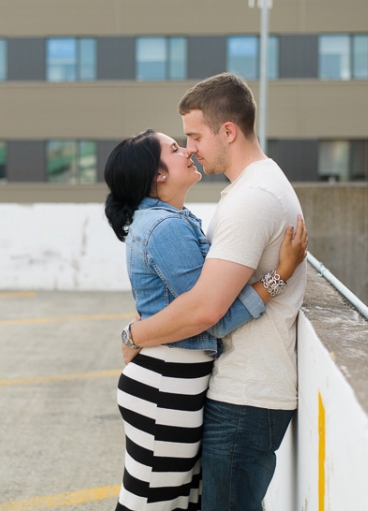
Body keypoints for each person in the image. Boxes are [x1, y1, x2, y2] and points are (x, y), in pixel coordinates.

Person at [126, 74, 307, 511]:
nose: (190, 148)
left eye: (194, 136)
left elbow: (208, 309)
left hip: (247, 395)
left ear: (228, 131)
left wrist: (135, 334)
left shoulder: (252, 199)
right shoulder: (251, 189)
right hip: (239, 389)